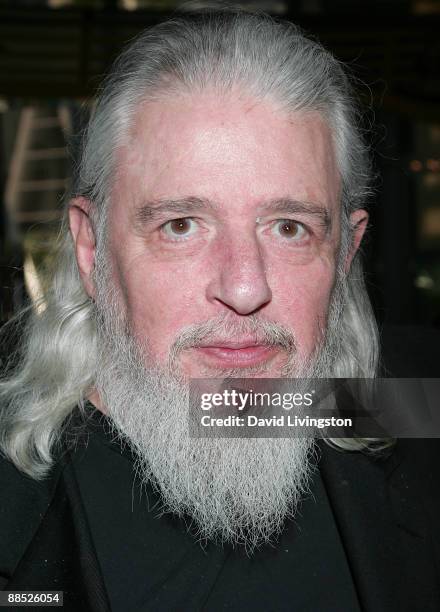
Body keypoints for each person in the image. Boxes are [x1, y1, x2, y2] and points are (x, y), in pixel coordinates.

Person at [0, 7, 439, 612]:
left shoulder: (393, 415)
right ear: (91, 247)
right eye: (181, 225)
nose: (243, 287)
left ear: (344, 254)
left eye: (289, 228)